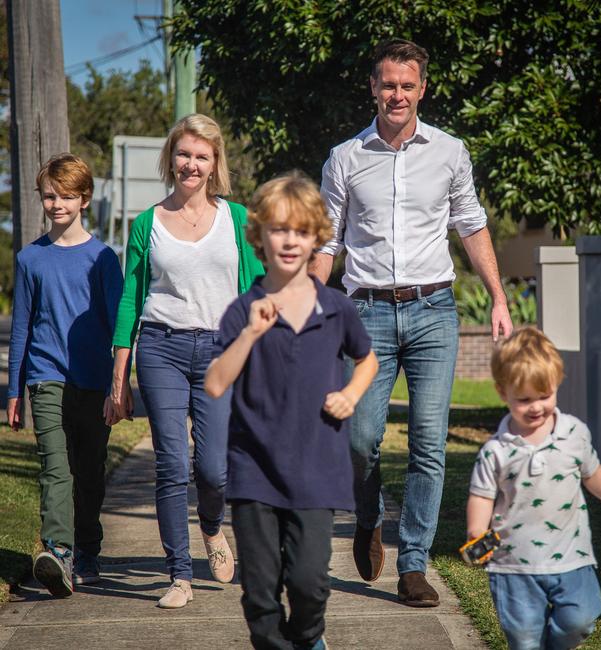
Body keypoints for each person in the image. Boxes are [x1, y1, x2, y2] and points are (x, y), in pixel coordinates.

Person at [312, 37, 513, 606]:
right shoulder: (345, 157)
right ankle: (369, 517)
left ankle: (414, 565)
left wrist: (498, 297)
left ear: (422, 88)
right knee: (360, 437)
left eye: (408, 85)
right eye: (388, 84)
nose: (397, 94)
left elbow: (471, 226)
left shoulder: (450, 151)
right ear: (372, 87)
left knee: (428, 441)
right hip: (366, 311)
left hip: (433, 311)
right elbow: (328, 239)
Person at [205, 171, 378, 650]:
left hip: (317, 470)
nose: (290, 240)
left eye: (301, 231)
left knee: (308, 585)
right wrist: (250, 335)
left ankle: (307, 641)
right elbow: (216, 383)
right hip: (255, 471)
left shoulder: (336, 307)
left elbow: (368, 360)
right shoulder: (245, 308)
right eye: (279, 229)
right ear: (260, 235)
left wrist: (351, 395)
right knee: (260, 598)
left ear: (317, 238)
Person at [107, 113, 265, 609]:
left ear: (215, 163)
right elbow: (131, 299)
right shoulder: (147, 223)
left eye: (201, 156)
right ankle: (179, 576)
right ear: (170, 158)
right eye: (183, 154)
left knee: (214, 470)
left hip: (220, 348)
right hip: (161, 348)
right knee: (172, 463)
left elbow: (259, 287)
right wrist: (120, 377)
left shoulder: (237, 220)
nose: (190, 164)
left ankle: (213, 527)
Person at [467, 327, 601, 649]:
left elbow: (593, 473)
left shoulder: (574, 433)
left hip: (572, 556)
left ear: (557, 384)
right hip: (513, 562)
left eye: (544, 395)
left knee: (580, 619)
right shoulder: (496, 450)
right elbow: (482, 494)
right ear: (501, 392)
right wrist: (476, 531)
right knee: (523, 638)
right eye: (524, 399)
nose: (536, 407)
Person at [7, 153, 123, 596]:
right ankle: (58, 551)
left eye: (66, 196)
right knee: (55, 468)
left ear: (84, 199)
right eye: (50, 196)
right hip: (45, 374)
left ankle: (88, 550)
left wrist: (120, 383)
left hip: (93, 379)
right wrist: (14, 390)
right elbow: (22, 326)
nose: (56, 204)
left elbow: (118, 326)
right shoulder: (30, 259)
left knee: (89, 470)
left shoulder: (102, 259)